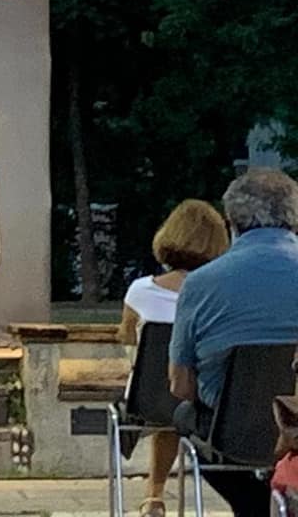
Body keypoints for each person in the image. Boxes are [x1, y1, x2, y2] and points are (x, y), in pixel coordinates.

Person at [170, 168, 298, 516]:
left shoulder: (200, 284)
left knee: (184, 415)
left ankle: (253, 507)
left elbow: (181, 385)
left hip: (233, 433)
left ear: (231, 221)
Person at [117, 199, 229, 517]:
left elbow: (128, 339)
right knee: (181, 399)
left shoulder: (140, 291)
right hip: (209, 399)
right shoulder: (221, 295)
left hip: (150, 398)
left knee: (166, 401)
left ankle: (154, 495)